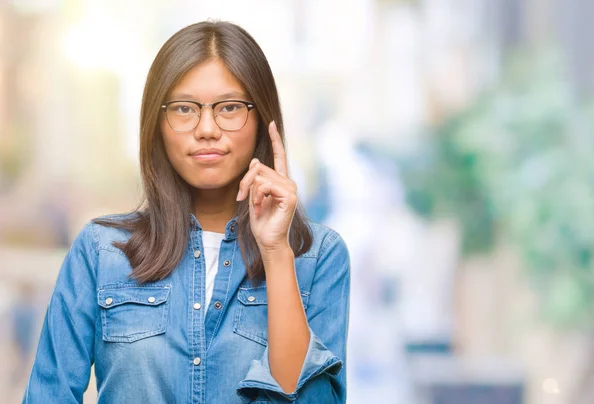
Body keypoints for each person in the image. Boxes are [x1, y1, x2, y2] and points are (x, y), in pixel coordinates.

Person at [23, 21, 350, 404]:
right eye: (184, 108)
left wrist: (276, 252)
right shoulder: (101, 251)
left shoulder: (320, 257)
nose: (207, 128)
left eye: (229, 108)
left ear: (262, 119)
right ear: (157, 124)